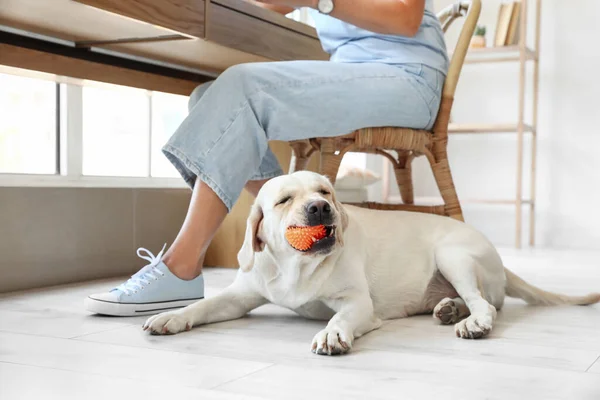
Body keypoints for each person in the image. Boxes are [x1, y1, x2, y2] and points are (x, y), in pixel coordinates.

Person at [85, 0, 449, 316]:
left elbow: (406, 18)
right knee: (210, 98)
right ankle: (293, 236)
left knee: (242, 90)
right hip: (353, 73)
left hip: (408, 76)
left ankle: (181, 266)